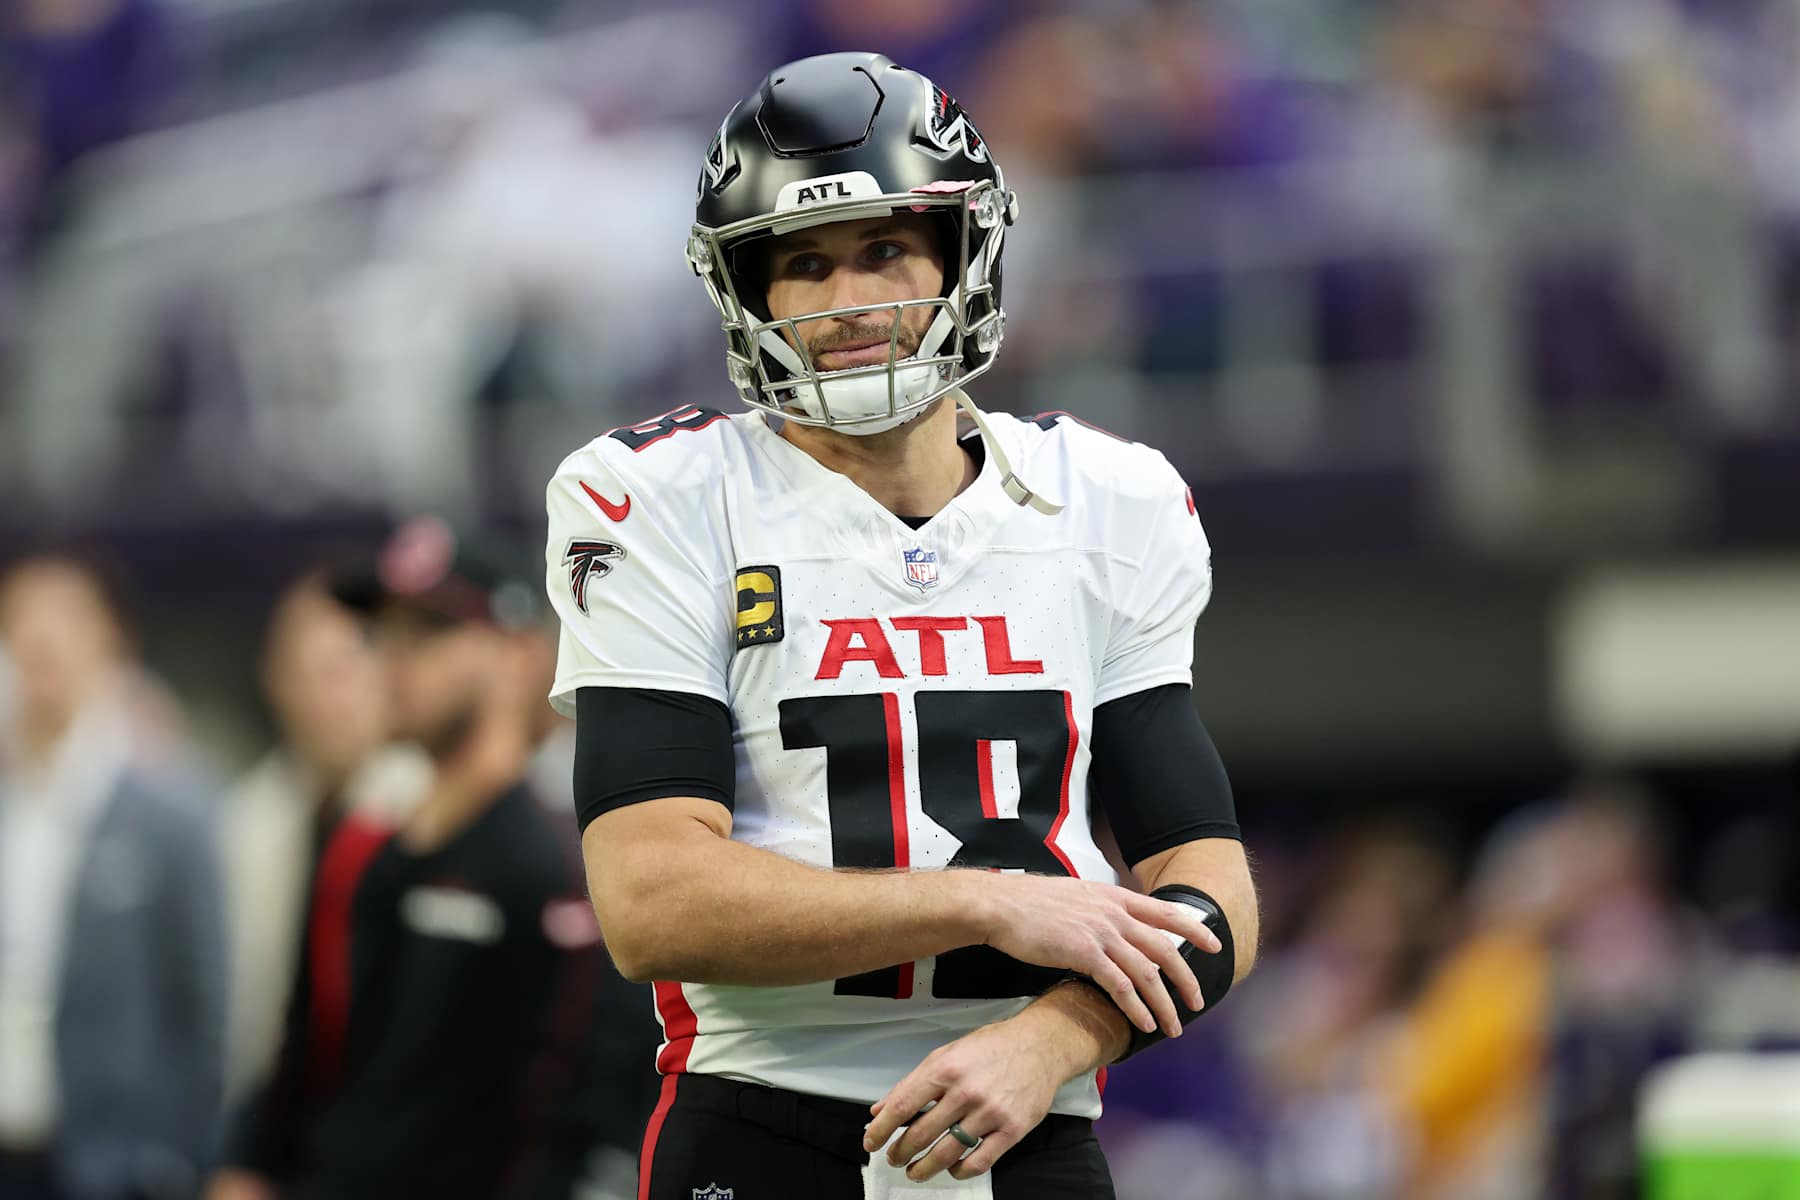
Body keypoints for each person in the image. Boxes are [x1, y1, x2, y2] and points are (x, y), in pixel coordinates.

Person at [544, 52, 1260, 1197]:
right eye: (806, 265)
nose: (850, 303)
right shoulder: (664, 500)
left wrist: (1055, 1039)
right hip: (764, 1123)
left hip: (1030, 1125)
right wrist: (989, 899)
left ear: (958, 255)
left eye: (884, 249)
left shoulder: (1106, 499)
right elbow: (649, 902)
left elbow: (1208, 877)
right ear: (750, 294)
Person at [210, 519, 595, 1200]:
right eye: (383, 632)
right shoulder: (356, 846)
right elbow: (300, 1058)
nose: (392, 656)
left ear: (519, 656)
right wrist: (247, 1164)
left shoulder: (563, 867)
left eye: (429, 632)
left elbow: (577, 1114)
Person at [0, 554, 225, 1200]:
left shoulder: (171, 812)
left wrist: (168, 1157)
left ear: (111, 637)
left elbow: (202, 1013)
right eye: (21, 619)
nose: (41, 638)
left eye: (64, 618)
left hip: (110, 1169)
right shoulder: (12, 805)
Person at [216, 573, 429, 1103]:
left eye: (341, 670)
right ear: (275, 682)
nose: (325, 699)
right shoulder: (244, 823)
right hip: (277, 1109)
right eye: (304, 674)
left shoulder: (430, 811)